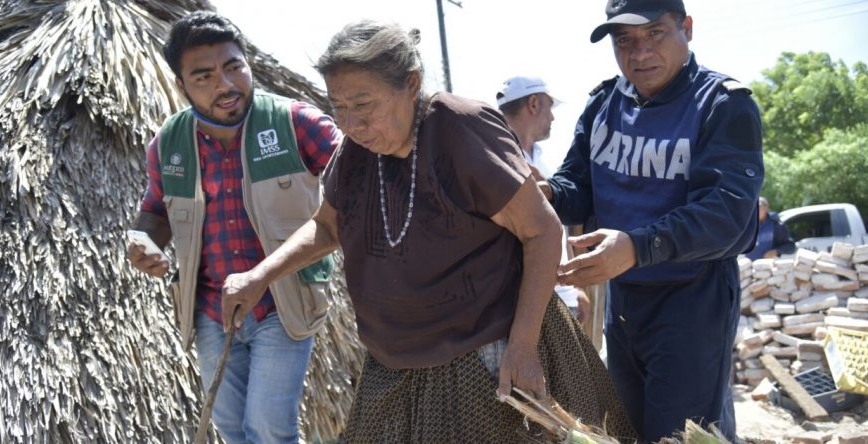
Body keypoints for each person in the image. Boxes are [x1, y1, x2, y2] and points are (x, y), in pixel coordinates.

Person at [221, 20, 637, 443]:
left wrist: (524, 347)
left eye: (364, 104)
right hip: (394, 366)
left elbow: (543, 231)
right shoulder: (355, 154)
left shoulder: (460, 129)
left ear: (411, 84)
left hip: (484, 359)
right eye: (339, 106)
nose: (350, 123)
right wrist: (261, 276)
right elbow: (326, 226)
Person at [540, 0, 764, 441]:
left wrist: (638, 247)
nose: (638, 54)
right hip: (625, 302)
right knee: (628, 429)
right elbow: (576, 187)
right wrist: (544, 193)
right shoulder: (604, 103)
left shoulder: (722, 105)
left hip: (693, 301)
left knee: (680, 436)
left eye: (654, 35)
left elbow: (727, 214)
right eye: (624, 41)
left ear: (687, 29)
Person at [126, 12, 340, 444]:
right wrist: (144, 241)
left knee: (268, 427)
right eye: (204, 76)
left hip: (284, 304)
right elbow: (155, 210)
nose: (224, 84)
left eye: (233, 66)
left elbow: (360, 183)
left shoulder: (295, 123)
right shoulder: (169, 144)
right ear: (181, 85)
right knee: (230, 429)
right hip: (211, 313)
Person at [496, 76, 592, 324]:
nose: (553, 117)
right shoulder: (497, 160)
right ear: (534, 104)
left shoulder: (540, 161)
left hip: (559, 297)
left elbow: (554, 227)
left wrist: (573, 288)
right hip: (528, 304)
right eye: (550, 107)